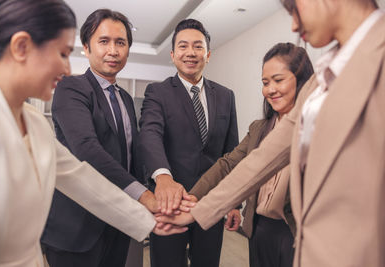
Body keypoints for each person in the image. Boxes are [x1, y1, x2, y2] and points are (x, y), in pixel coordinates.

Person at [157, 0, 385, 266]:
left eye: (294, 9)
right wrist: (196, 210)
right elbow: (259, 160)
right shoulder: (320, 80)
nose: (294, 25)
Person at [0, 1, 186, 266]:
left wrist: (148, 218)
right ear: (21, 47)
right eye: (62, 54)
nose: (67, 70)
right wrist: (146, 200)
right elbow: (87, 151)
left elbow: (78, 178)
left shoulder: (33, 121)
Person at [40, 9, 160, 267]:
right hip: (76, 228)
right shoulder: (71, 88)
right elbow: (87, 149)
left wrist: (157, 185)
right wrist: (143, 196)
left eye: (121, 43)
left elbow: (132, 155)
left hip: (117, 221)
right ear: (86, 47)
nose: (113, 51)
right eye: (104, 41)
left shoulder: (126, 99)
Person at [188, 42, 313, 267]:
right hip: (259, 229)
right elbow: (228, 164)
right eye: (265, 83)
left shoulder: (316, 128)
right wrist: (192, 198)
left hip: (295, 232)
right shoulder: (259, 128)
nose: (270, 89)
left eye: (278, 80)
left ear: (301, 80)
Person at [138, 19, 239, 267]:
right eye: (183, 46)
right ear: (173, 55)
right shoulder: (157, 92)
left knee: (208, 262)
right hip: (170, 203)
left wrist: (235, 202)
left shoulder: (225, 95)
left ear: (208, 54)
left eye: (197, 46)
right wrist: (163, 178)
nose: (191, 53)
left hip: (210, 203)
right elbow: (150, 134)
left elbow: (232, 152)